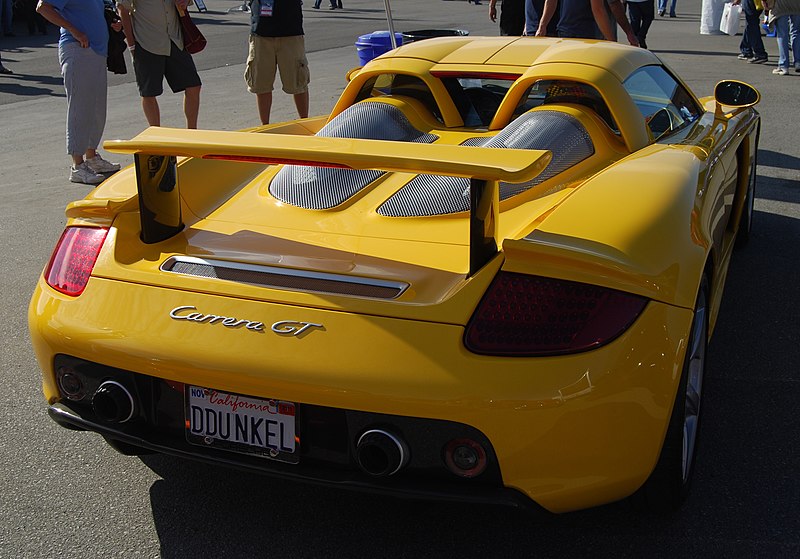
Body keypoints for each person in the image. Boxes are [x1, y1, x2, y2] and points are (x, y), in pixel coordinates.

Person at [36, 0, 121, 185]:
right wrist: (74, 30)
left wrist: (112, 24)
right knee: (80, 109)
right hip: (77, 50)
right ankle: (77, 165)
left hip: (96, 51)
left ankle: (91, 157)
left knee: (97, 109)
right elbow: (42, 7)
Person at [117, 0, 202, 128]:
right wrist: (132, 45)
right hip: (146, 41)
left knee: (194, 85)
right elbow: (123, 9)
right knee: (148, 92)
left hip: (175, 39)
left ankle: (192, 131)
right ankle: (156, 133)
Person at [246, 0, 310, 125]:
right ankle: (264, 126)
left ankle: (306, 123)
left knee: (298, 82)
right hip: (261, 33)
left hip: (290, 31)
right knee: (261, 83)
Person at [536, 0, 639, 46]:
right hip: (588, 34)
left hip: (565, 30)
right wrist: (611, 41)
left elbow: (551, 1)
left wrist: (542, 26)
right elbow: (598, 9)